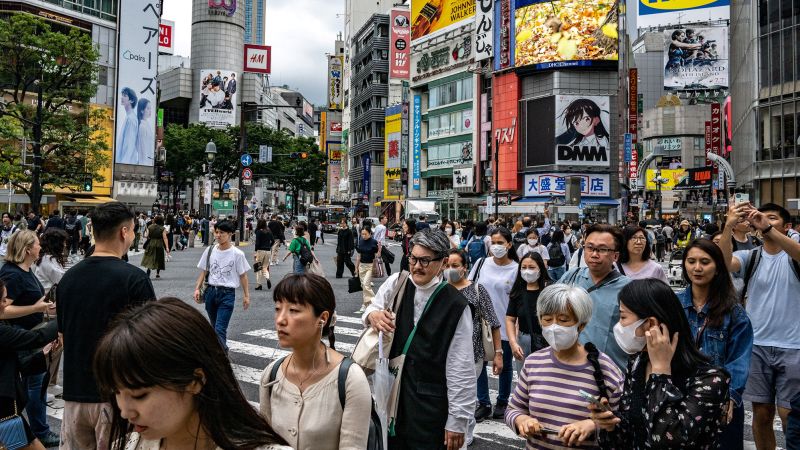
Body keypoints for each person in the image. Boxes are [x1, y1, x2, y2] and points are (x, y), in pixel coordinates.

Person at [93, 298, 290, 450]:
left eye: (139, 395)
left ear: (195, 380)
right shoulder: (127, 444)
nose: (125, 412)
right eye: (116, 392)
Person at [57, 201, 156, 449]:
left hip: (74, 393)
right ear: (124, 232)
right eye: (133, 230)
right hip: (117, 397)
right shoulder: (134, 279)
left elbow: (63, 335)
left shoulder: (69, 279)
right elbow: (148, 342)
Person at [363, 228, 474, 450]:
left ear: (443, 263)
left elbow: (460, 367)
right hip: (393, 394)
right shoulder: (397, 283)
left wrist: (457, 421)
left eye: (425, 261)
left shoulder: (456, 305)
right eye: (413, 258)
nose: (416, 266)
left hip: (432, 403)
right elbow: (371, 309)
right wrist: (373, 316)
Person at [590, 279, 731, 449]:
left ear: (651, 324)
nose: (619, 326)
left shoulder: (710, 379)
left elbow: (667, 439)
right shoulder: (637, 364)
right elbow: (634, 431)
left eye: (623, 317)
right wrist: (611, 426)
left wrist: (661, 372)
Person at [719, 202, 800, 449]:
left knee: (790, 415)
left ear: (787, 226)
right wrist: (728, 226)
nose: (763, 220)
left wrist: (767, 229)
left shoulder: (792, 255)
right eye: (760, 217)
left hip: (794, 346)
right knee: (761, 413)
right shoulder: (751, 256)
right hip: (757, 346)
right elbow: (723, 263)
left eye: (772, 218)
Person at [260, 274, 372, 449]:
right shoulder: (271, 375)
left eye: (293, 310)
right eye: (277, 308)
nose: (280, 320)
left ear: (323, 318)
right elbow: (264, 442)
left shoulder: (350, 380)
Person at [505, 284, 624, 449]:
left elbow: (621, 423)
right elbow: (513, 409)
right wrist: (521, 421)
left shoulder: (605, 369)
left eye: (563, 320)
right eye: (547, 319)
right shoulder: (533, 362)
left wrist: (592, 425)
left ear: (581, 324)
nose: (554, 327)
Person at [679, 238, 753, 449]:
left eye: (705, 261)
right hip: (682, 395)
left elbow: (740, 358)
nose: (697, 268)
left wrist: (731, 395)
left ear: (718, 268)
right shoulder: (674, 305)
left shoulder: (734, 312)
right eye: (691, 261)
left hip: (720, 399)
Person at [0, 230, 59, 447]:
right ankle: (38, 429)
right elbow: (4, 310)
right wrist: (36, 307)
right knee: (33, 383)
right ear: (27, 249)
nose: (40, 247)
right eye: (37, 244)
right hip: (22, 337)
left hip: (29, 332)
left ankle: (33, 429)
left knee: (34, 383)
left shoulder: (24, 270)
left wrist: (44, 308)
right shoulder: (13, 274)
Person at [442, 248, 503, 445]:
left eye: (455, 265)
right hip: (443, 351)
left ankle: (465, 433)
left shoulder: (477, 290)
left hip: (472, 352)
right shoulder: (441, 289)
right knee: (447, 392)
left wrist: (498, 353)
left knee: (465, 391)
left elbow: (493, 322)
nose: (450, 269)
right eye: (447, 265)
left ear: (464, 268)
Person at [557, 224, 632, 368]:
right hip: (569, 366)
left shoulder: (628, 289)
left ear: (615, 255)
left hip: (609, 370)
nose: (594, 254)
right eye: (590, 247)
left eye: (602, 249)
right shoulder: (571, 277)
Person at [468, 227, 519, 420]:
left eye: (500, 243)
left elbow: (518, 299)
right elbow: (470, 287)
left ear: (509, 245)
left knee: (504, 365)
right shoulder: (482, 263)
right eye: (494, 242)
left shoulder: (516, 268)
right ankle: (483, 402)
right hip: (480, 323)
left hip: (505, 324)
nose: (496, 246)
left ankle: (503, 400)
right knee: (479, 363)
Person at [193, 220, 251, 352]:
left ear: (230, 234)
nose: (218, 235)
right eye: (216, 232)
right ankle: (221, 351)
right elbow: (204, 271)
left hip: (227, 294)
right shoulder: (210, 250)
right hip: (210, 292)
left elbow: (243, 276)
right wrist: (197, 288)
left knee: (220, 328)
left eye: (222, 233)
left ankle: (221, 356)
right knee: (214, 327)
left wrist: (247, 296)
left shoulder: (237, 254)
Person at [506, 252, 553, 374]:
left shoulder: (551, 290)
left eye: (531, 267)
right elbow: (510, 319)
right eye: (524, 267)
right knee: (524, 378)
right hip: (524, 341)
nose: (527, 271)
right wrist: (513, 343)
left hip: (548, 341)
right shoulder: (517, 292)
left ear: (540, 269)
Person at [354, 226, 379, 314]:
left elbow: (377, 255)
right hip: (362, 266)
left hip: (370, 266)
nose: (363, 236)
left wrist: (379, 248)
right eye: (362, 234)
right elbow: (358, 256)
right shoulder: (360, 241)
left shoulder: (374, 242)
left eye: (365, 234)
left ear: (370, 233)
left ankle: (376, 302)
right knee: (364, 286)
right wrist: (356, 268)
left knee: (366, 284)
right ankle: (365, 304)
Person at [141, 215, 169, 279]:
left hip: (151, 243)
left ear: (155, 220)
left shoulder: (150, 226)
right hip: (159, 244)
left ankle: (148, 269)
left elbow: (146, 235)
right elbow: (165, 238)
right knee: (159, 258)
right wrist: (167, 247)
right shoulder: (162, 228)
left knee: (150, 257)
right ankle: (157, 273)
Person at [118, 87, 138, 164]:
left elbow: (129, 145)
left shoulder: (131, 119)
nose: (122, 97)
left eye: (125, 95)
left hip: (126, 164)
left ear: (132, 100)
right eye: (122, 95)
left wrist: (123, 165)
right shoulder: (129, 117)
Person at [253, 219, 274, 291]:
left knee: (258, 267)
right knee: (265, 267)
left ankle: (259, 285)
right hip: (268, 251)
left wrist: (256, 251)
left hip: (260, 251)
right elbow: (273, 241)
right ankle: (267, 278)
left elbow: (257, 243)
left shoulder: (259, 232)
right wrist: (269, 246)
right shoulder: (269, 231)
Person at [135, 97, 154, 165]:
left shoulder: (146, 124)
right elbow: (143, 148)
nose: (150, 111)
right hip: (144, 163)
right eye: (148, 108)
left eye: (150, 108)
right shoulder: (142, 126)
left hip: (148, 162)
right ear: (142, 110)